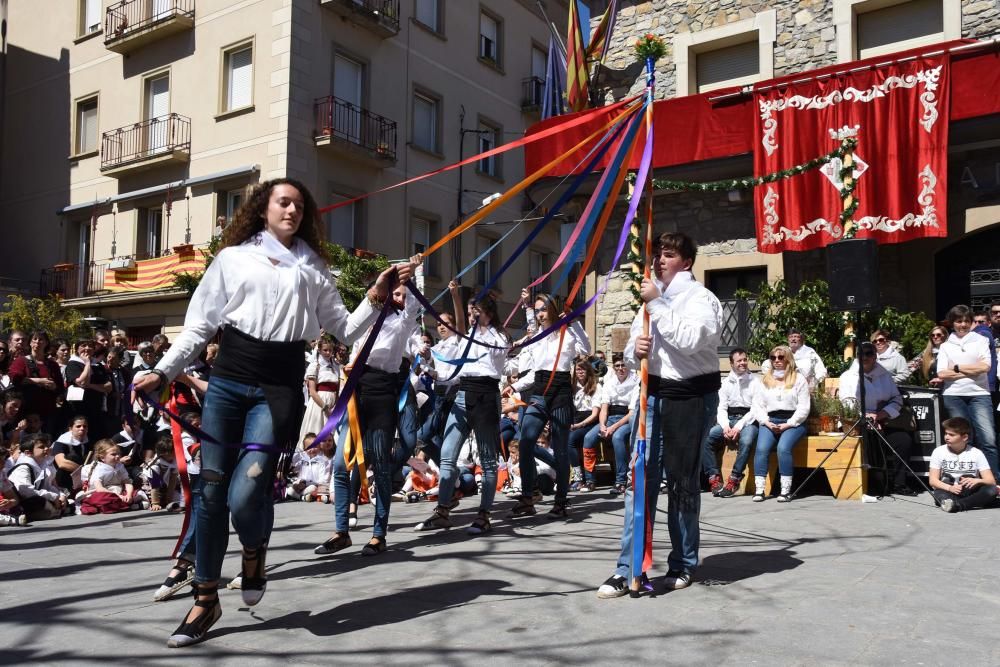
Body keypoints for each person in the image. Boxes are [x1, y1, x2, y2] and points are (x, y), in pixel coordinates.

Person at [132, 178, 414, 648]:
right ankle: (205, 599)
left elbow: (343, 330)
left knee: (246, 493)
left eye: (300, 205)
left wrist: (376, 294)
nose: (292, 211)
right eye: (284, 202)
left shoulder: (313, 265)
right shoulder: (232, 259)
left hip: (279, 385)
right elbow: (200, 324)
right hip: (228, 376)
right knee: (210, 488)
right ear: (263, 208)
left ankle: (254, 550)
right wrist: (162, 372)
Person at [597, 232, 722, 599]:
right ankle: (629, 568)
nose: (659, 261)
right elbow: (643, 346)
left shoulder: (702, 299)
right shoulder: (651, 301)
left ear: (686, 261)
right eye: (657, 255)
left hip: (690, 398)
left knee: (682, 483)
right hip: (653, 397)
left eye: (668, 255)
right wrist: (638, 349)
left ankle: (683, 562)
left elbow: (689, 341)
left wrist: (656, 306)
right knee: (641, 479)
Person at [414, 293, 508, 534]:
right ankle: (443, 511)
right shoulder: (466, 337)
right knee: (447, 455)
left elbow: (497, 355)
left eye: (474, 312)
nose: (470, 317)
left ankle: (484, 515)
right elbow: (457, 361)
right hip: (463, 395)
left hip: (486, 396)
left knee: (487, 461)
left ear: (486, 312)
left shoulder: (499, 337)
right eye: (468, 313)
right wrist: (456, 295)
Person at [505, 291, 591, 519]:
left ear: (552, 309)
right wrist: (515, 387)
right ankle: (528, 495)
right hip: (540, 393)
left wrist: (573, 322)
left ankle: (561, 501)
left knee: (561, 449)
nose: (540, 314)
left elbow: (586, 349)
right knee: (525, 440)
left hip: (561, 394)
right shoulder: (538, 338)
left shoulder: (568, 333)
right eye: (538, 310)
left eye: (543, 309)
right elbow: (534, 373)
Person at [839, 342, 916, 496]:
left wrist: (881, 415)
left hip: (883, 419)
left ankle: (899, 483)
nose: (865, 357)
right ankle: (877, 483)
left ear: (875, 356)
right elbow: (847, 402)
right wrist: (866, 417)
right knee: (871, 440)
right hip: (858, 421)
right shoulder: (848, 377)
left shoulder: (885, 375)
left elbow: (896, 399)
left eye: (869, 354)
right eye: (861, 354)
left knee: (903, 440)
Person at [935, 305, 998, 478]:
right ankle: (964, 479)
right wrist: (972, 369)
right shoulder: (946, 346)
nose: (963, 325)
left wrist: (956, 367)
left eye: (966, 321)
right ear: (952, 323)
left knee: (988, 439)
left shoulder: (980, 340)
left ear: (971, 323)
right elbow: (941, 373)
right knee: (963, 439)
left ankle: (994, 481)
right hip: (953, 395)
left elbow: (985, 367)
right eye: (959, 321)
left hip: (979, 393)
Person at [750, 344, 810, 503]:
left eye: (781, 357)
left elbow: (804, 407)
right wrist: (766, 422)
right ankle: (760, 489)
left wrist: (789, 424)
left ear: (788, 359)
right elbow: (757, 405)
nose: (776, 361)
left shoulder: (799, 379)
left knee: (783, 448)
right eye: (773, 358)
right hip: (770, 420)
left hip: (793, 421)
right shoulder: (764, 380)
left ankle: (785, 490)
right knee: (761, 448)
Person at [705, 348, 760, 498]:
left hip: (749, 420)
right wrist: (725, 427)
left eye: (744, 360)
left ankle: (735, 478)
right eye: (739, 361)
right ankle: (714, 478)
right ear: (731, 363)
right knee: (707, 438)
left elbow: (755, 409)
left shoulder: (756, 382)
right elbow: (721, 407)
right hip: (729, 419)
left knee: (747, 440)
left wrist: (738, 427)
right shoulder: (725, 383)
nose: (743, 363)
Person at [583, 352, 638, 497]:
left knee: (617, 437)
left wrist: (613, 428)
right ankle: (589, 480)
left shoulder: (636, 382)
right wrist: (602, 425)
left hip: (626, 419)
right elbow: (604, 408)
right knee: (589, 437)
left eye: (623, 365)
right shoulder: (609, 383)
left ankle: (621, 480)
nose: (620, 368)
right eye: (617, 366)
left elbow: (631, 413)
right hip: (610, 418)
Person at [929, 417, 997, 512]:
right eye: (946, 433)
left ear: (964, 437)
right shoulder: (938, 451)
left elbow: (991, 481)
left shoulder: (977, 453)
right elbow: (933, 481)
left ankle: (957, 505)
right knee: (938, 494)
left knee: (992, 490)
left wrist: (977, 481)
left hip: (970, 491)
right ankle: (970, 502)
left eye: (951, 435)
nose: (946, 437)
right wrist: (950, 488)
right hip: (948, 489)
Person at [7, 331, 64, 433]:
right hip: (27, 410)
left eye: (41, 339)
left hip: (47, 411)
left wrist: (54, 386)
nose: (37, 342)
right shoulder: (21, 361)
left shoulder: (52, 365)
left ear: (46, 343)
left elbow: (60, 388)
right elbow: (15, 379)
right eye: (35, 339)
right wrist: (39, 381)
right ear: (30, 342)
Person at [8, 432, 67, 521]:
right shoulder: (23, 467)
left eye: (47, 446)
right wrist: (53, 497)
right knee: (37, 502)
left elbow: (48, 487)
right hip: (21, 503)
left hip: (39, 497)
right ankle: (54, 511)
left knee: (66, 501)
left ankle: (54, 510)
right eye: (41, 447)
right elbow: (25, 491)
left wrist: (60, 496)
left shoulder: (43, 465)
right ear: (28, 453)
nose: (46, 449)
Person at [298, 339, 340, 445]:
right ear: (320, 350)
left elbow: (337, 389)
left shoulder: (335, 366)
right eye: (325, 350)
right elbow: (312, 391)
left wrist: (335, 406)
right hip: (319, 403)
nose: (328, 353)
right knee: (316, 431)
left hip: (333, 404)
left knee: (330, 435)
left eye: (330, 350)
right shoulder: (315, 365)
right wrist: (325, 408)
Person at [762, 329, 827, 391]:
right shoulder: (784, 351)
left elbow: (821, 370)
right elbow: (768, 364)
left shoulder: (809, 352)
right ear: (788, 339)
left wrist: (814, 383)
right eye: (791, 337)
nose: (793, 339)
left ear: (801, 339)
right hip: (787, 387)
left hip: (806, 388)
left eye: (796, 337)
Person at [571, 358, 600, 492]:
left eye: (583, 369)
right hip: (576, 419)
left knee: (573, 439)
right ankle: (575, 477)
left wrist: (579, 425)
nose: (580, 372)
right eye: (578, 369)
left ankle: (588, 479)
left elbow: (595, 414)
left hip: (590, 420)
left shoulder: (596, 386)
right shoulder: (572, 387)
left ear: (588, 371)